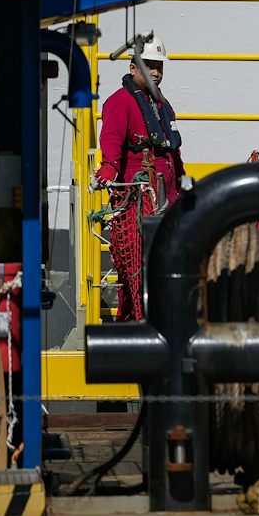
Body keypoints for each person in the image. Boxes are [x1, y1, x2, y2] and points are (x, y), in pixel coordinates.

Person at [97, 36, 186, 321]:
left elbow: (173, 153)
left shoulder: (162, 106)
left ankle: (157, 324)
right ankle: (135, 325)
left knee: (165, 270)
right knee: (136, 273)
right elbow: (111, 139)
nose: (156, 72)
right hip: (137, 205)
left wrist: (183, 187)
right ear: (133, 68)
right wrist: (109, 168)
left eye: (159, 66)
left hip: (165, 201)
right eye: (149, 65)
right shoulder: (119, 103)